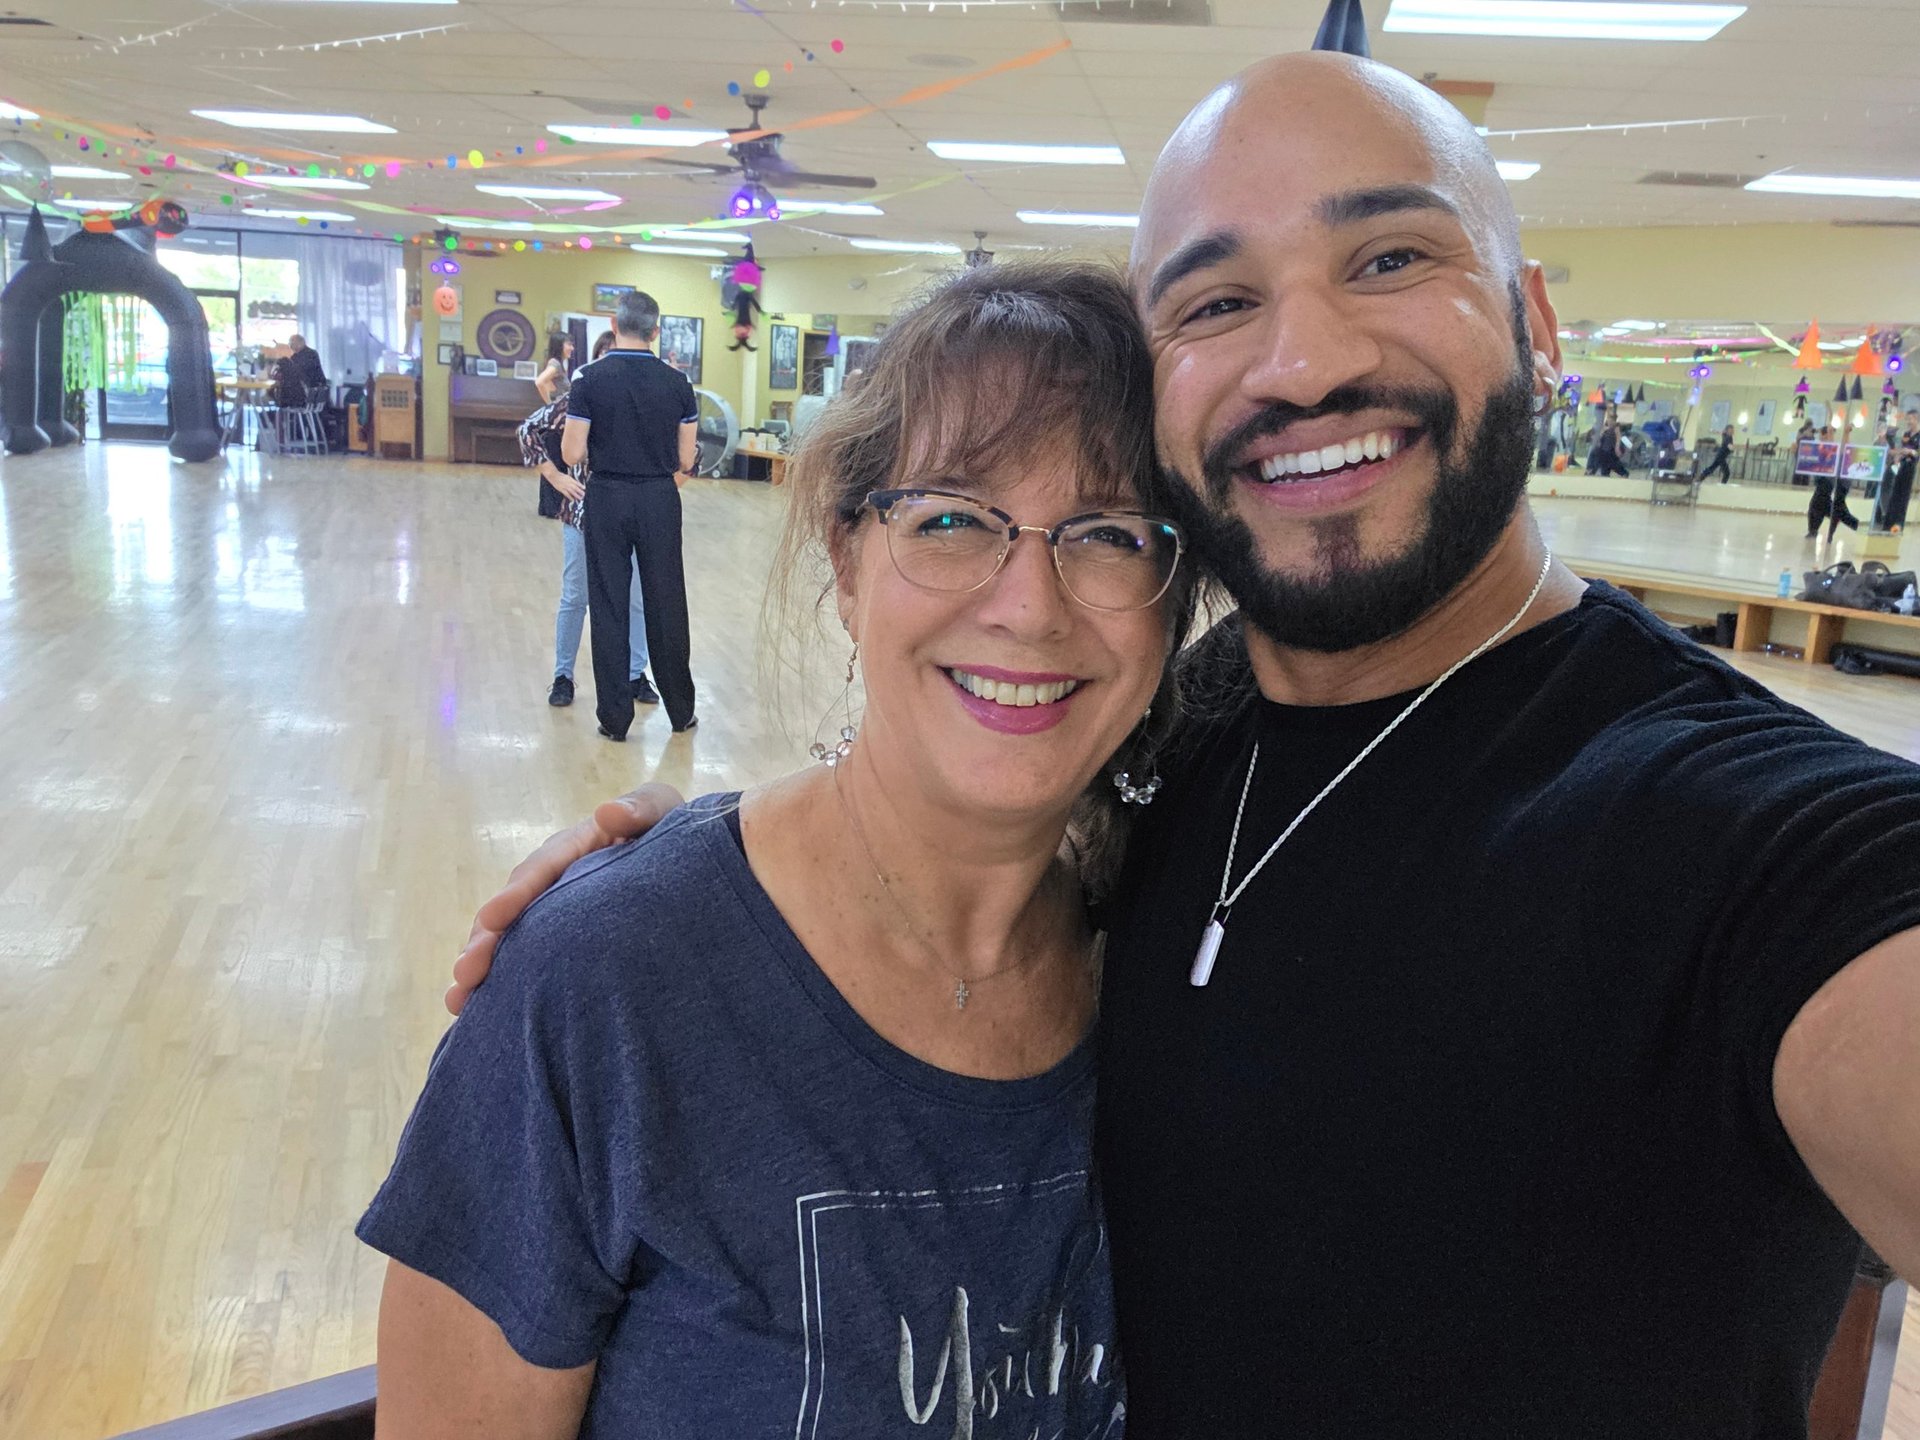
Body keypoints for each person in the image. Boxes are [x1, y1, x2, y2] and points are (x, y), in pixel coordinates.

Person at [453, 52, 1920, 1438]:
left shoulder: (1750, 835)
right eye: (1215, 303)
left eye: (1393, 257)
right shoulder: (1183, 726)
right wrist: (690, 889)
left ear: (1532, 317)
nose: (1301, 362)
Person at [360, 261, 1189, 1437]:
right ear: (848, 561)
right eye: (951, 517)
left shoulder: (1188, 954)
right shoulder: (604, 989)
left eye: (1106, 533)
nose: (1030, 605)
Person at [563, 291, 700, 737]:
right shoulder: (678, 385)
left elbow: (571, 452)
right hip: (660, 498)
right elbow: (685, 460)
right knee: (665, 600)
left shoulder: (588, 379)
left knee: (608, 603)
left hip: (607, 496)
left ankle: (616, 719)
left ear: (613, 323)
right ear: (656, 331)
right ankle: (681, 711)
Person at [519, 332, 657, 711]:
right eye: (605, 355)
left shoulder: (645, 402)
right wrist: (556, 476)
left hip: (630, 513)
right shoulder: (578, 399)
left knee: (635, 599)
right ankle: (563, 676)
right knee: (576, 596)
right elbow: (528, 430)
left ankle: (635, 674)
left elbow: (684, 450)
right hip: (582, 514)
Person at [1877, 408, 1918, 531]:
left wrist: (1911, 451)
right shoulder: (1906, 434)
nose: (1908, 422)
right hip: (1900, 466)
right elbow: (1900, 449)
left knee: (1903, 497)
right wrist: (1898, 456)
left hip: (1910, 468)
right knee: (1894, 494)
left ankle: (1898, 524)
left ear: (1916, 419)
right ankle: (1887, 524)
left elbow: (1916, 453)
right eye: (1907, 419)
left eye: (1910, 419)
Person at [533, 333, 574, 405]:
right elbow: (539, 382)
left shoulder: (559, 364)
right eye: (569, 344)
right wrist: (550, 405)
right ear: (559, 346)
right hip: (558, 409)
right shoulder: (555, 364)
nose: (572, 348)